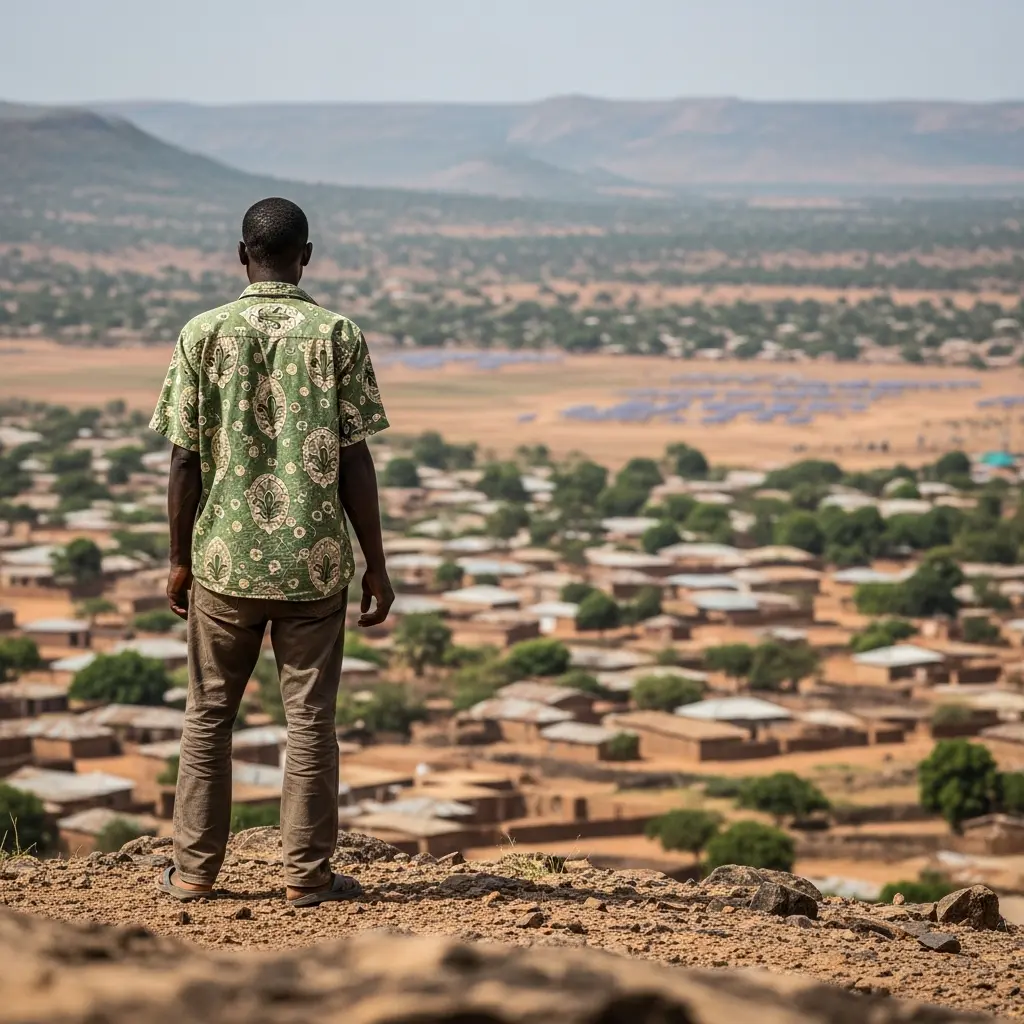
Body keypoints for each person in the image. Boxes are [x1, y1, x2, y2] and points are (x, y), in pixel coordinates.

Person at [149, 197, 394, 906]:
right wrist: (374, 561)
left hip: (224, 559)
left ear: (241, 253)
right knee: (311, 720)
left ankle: (194, 875)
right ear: (306, 255)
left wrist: (178, 556)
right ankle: (306, 879)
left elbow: (183, 461)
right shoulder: (337, 334)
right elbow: (356, 460)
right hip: (313, 565)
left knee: (208, 716)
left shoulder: (203, 334)